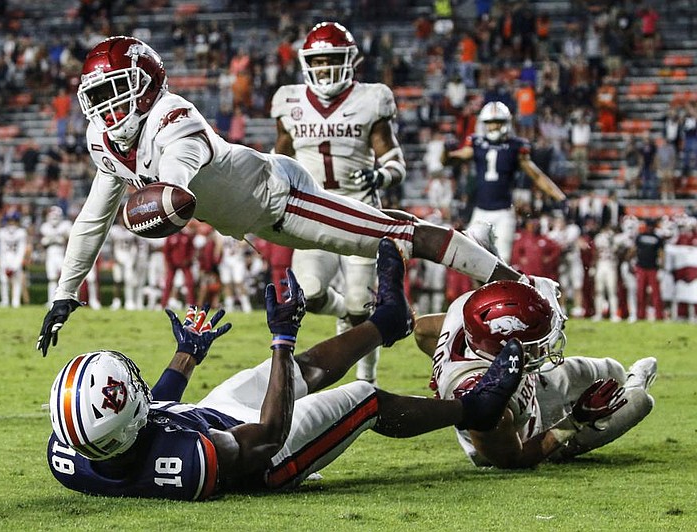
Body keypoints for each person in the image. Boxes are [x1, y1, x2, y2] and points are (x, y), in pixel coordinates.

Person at [36, 36, 532, 356]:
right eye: (96, 97)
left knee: (393, 235)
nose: (105, 107)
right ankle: (365, 316)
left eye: (115, 89)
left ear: (148, 86)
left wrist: (164, 200)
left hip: (282, 196)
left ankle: (520, 284)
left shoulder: (173, 118)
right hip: (254, 219)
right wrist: (64, 292)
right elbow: (91, 219)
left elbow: (176, 180)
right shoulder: (104, 140)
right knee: (320, 290)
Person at [46, 239, 524, 499]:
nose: (138, 387)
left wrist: (185, 357)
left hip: (203, 420)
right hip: (263, 457)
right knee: (363, 399)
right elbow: (271, 435)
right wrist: (281, 336)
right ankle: (473, 410)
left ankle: (387, 321)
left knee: (301, 370)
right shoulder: (184, 461)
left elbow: (145, 412)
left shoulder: (74, 448)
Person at [271, 22, 408, 384]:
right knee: (310, 293)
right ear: (306, 64)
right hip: (313, 215)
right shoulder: (290, 101)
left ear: (350, 60)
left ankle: (366, 381)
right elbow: (277, 160)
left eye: (333, 59)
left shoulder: (370, 98)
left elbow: (393, 157)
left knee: (360, 307)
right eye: (319, 61)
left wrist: (383, 176)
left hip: (360, 214)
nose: (326, 68)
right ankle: (343, 312)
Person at [414, 279, 656, 468]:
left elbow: (421, 330)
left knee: (611, 370)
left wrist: (442, 371)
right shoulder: (487, 403)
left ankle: (622, 381)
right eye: (538, 341)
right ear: (503, 344)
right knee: (639, 402)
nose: (546, 347)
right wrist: (576, 420)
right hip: (525, 439)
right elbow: (514, 460)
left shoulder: (465, 313)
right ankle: (635, 385)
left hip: (527, 386)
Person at [443, 101, 566, 262]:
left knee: (502, 263)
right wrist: (446, 151)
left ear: (505, 123)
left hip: (504, 213)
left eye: (497, 122)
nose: (493, 127)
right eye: (490, 123)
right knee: (471, 261)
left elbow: (536, 175)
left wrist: (559, 196)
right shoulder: (477, 143)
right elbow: (448, 161)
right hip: (481, 211)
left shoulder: (515, 146)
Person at [40, 206, 72, 305]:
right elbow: (44, 242)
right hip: (50, 255)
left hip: (62, 253)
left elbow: (70, 239)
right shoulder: (45, 227)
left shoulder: (65, 225)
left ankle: (66, 299)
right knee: (52, 278)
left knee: (65, 278)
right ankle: (51, 300)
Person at [0, 211, 28, 308]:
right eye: (9, 221)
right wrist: (3, 263)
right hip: (5, 257)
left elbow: (21, 250)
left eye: (13, 221)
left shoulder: (21, 233)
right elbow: (0, 250)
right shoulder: (1, 232)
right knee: (3, 281)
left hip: (15, 257)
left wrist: (15, 265)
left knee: (16, 281)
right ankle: (5, 301)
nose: (11, 223)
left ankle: (15, 301)